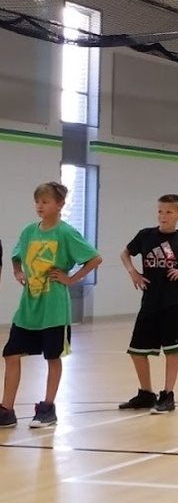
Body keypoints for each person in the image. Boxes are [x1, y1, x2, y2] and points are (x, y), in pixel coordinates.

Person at [1, 181, 103, 428]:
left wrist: (71, 279)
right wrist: (17, 272)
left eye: (45, 201)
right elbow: (16, 257)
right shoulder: (28, 232)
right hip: (29, 306)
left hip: (54, 307)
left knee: (52, 356)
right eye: (38, 201)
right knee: (11, 354)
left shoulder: (66, 233)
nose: (40, 206)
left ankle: (47, 408)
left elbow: (95, 258)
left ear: (59, 205)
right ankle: (6, 409)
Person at [117, 194, 178, 414]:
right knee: (137, 350)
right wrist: (134, 273)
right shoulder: (146, 235)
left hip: (173, 302)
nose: (163, 215)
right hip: (149, 302)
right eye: (160, 211)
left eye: (168, 211)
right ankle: (146, 394)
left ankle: (167, 395)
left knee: (171, 350)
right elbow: (125, 253)